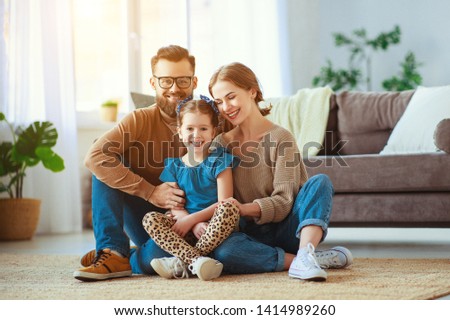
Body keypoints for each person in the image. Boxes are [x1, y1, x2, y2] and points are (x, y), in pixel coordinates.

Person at [73, 45, 230, 282]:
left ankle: (131, 257)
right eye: (165, 81)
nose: (175, 88)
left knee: (160, 255)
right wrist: (150, 192)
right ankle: (112, 251)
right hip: (148, 215)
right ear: (153, 83)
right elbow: (94, 157)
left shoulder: (211, 119)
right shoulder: (140, 119)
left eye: (182, 80)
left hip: (196, 221)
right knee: (104, 158)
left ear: (194, 81)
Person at [207, 62, 353, 281]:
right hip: (249, 237)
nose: (226, 107)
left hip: (287, 229)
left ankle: (303, 253)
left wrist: (244, 208)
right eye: (219, 102)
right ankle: (303, 260)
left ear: (251, 91)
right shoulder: (220, 144)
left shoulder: (280, 137)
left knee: (320, 182)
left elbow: (285, 201)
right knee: (225, 252)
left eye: (231, 97)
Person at [142, 97, 240, 281]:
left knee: (230, 207)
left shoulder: (220, 161)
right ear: (179, 132)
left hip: (214, 228)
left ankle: (184, 262)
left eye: (203, 129)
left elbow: (224, 202)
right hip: (184, 229)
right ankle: (197, 260)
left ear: (213, 132)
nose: (196, 135)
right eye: (189, 129)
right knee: (150, 219)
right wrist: (190, 224)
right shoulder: (174, 166)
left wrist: (194, 221)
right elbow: (175, 205)